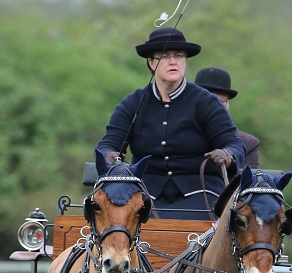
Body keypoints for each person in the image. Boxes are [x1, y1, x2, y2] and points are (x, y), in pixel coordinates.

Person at [97, 27, 246, 218]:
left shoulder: (206, 102)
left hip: (202, 194)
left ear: (185, 61)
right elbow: (107, 144)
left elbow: (234, 144)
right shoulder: (132, 102)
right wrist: (108, 155)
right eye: (165, 56)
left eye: (179, 55)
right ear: (151, 63)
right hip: (143, 195)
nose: (173, 61)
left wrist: (227, 154)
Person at [194, 67, 261, 168]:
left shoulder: (249, 143)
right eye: (208, 101)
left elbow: (246, 182)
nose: (214, 107)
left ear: (228, 104)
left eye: (220, 102)